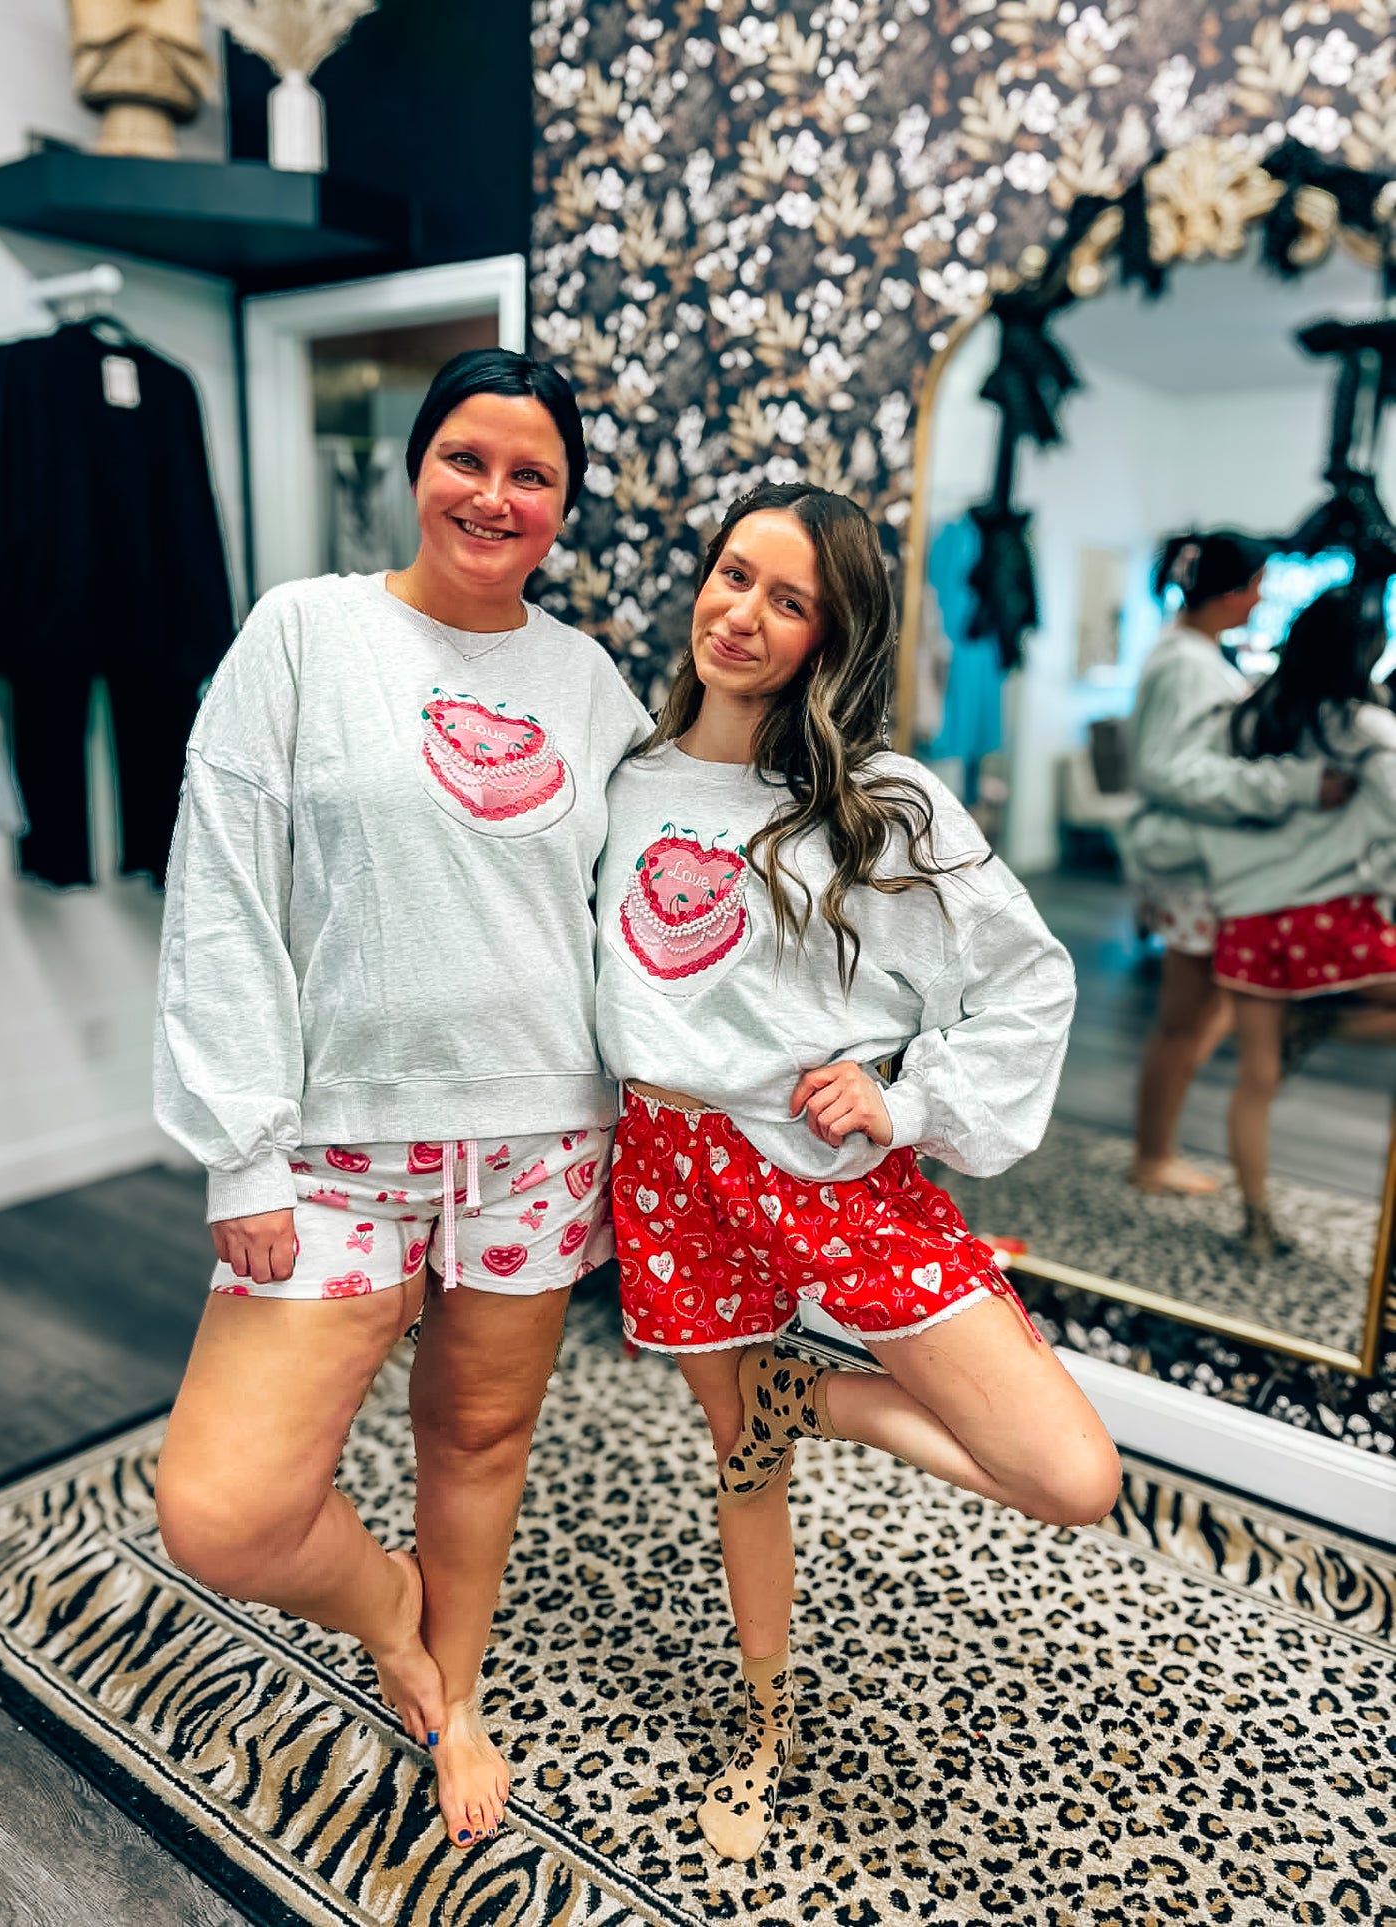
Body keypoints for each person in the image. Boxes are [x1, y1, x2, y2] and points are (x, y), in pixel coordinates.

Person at [152, 348, 651, 1848]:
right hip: (333, 1147)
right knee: (225, 1511)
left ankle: (461, 1692)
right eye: (466, 460)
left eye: (531, 474)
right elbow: (223, 892)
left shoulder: (587, 682)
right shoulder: (303, 632)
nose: (494, 496)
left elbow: (643, 900)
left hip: (541, 1138)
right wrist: (240, 1149)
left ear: (564, 503)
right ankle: (394, 1618)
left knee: (481, 1439)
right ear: (417, 465)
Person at [594, 481, 1121, 1861]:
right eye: (731, 574)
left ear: (832, 637)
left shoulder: (883, 803)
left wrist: (905, 1095)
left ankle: (802, 1391)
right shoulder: (624, 778)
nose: (741, 614)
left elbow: (1027, 982)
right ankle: (764, 1724)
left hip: (823, 1170)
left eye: (789, 600)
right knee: (741, 1472)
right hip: (669, 1164)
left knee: (1069, 1473)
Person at [1121, 530, 1352, 1196]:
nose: (1259, 600)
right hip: (1190, 869)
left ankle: (1155, 1150)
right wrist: (1292, 786)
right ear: (1230, 592)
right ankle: (1151, 1157)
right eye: (1256, 587)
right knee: (1182, 1021)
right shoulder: (1187, 664)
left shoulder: (1192, 655)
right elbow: (1170, 770)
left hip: (1203, 866)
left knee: (1204, 1013)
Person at [1197, 583, 1396, 1252]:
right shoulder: (1365, 728)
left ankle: (1256, 1222)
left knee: (1255, 1079)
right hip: (1329, 915)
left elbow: (1213, 804)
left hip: (1250, 919)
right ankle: (1327, 1021)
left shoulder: (1247, 718)